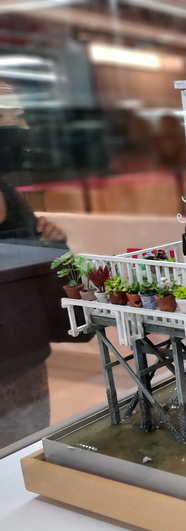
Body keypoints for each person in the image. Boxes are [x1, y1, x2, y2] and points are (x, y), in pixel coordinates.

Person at [0, 80, 77, 448]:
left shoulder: (7, 190)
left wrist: (46, 239)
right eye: (15, 118)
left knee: (28, 446)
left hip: (23, 352)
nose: (25, 127)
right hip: (13, 350)